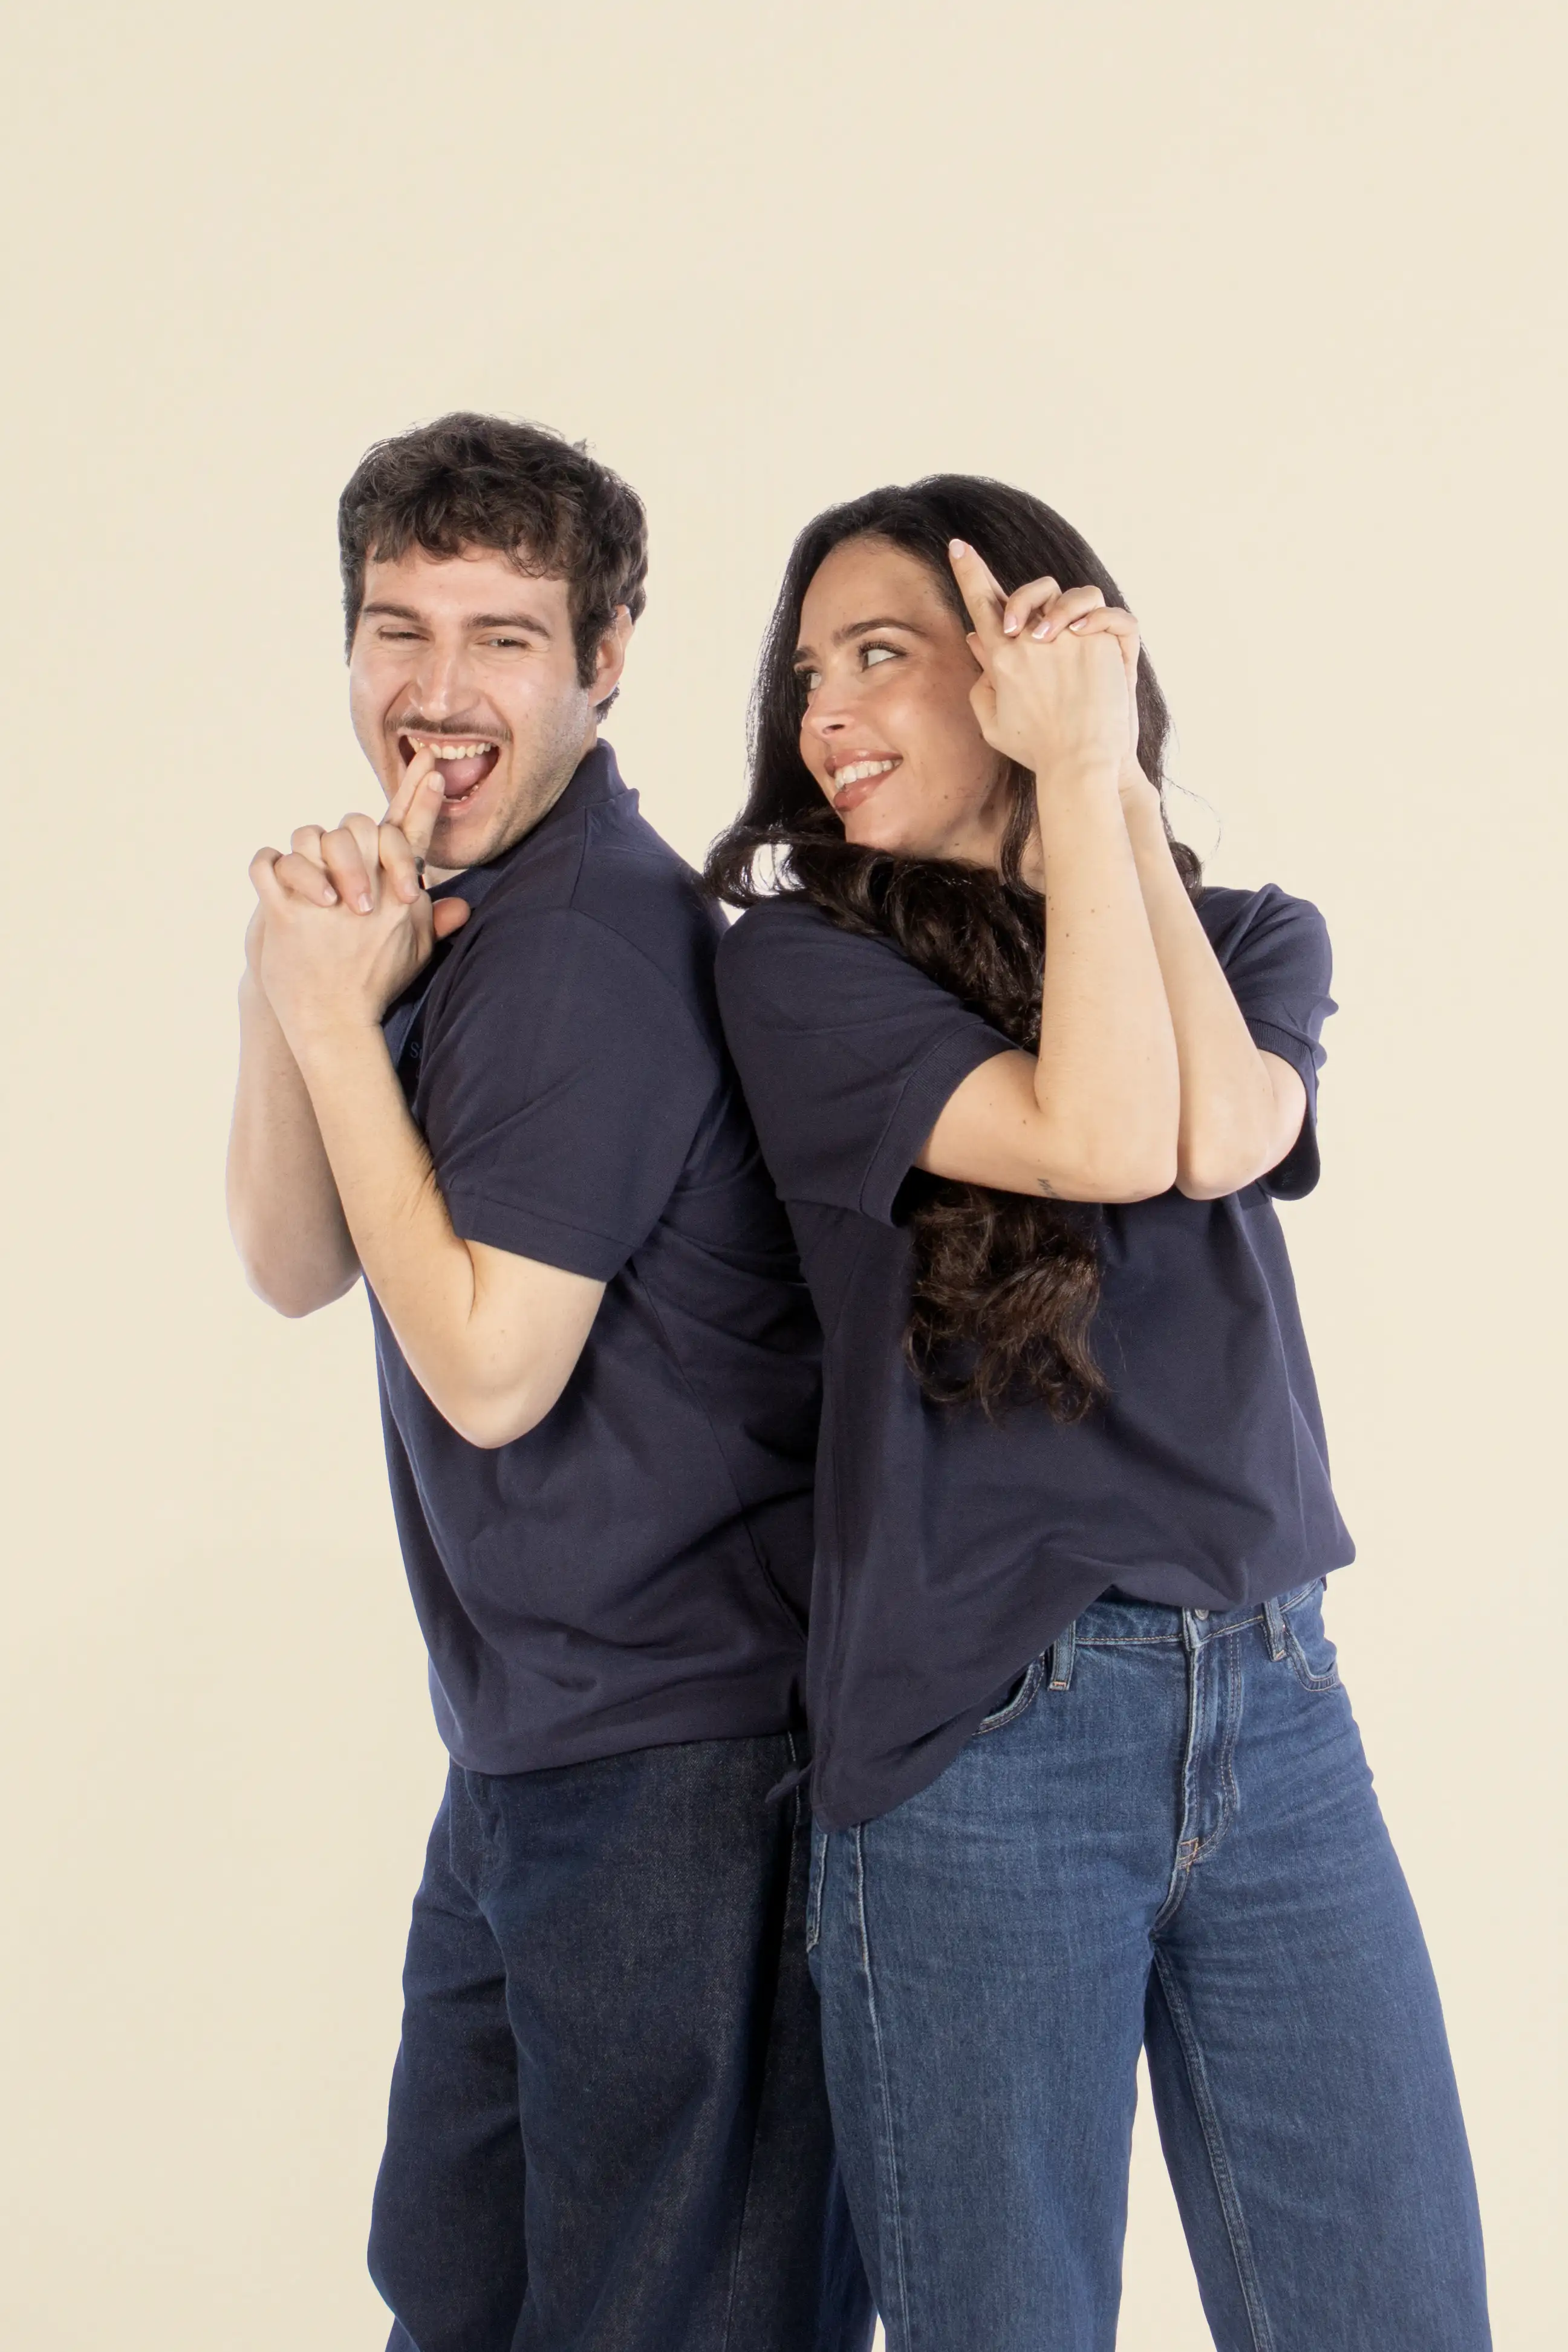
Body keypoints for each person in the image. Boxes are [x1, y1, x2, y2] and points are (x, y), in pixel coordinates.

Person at [707, 475, 1491, 2352]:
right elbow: (1096, 1135)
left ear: (1027, 671)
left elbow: (1217, 1132)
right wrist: (1077, 787)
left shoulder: (1260, 937)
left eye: (881, 657)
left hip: (1279, 1715)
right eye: (809, 671)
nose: (825, 715)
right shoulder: (801, 971)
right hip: (986, 1743)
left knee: (1394, 2314)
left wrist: (1105, 788)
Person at [226, 413, 871, 2352]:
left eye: (502, 636)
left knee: (662, 2318)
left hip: (684, 1758)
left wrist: (344, 1030)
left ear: (603, 663)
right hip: (529, 1746)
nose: (434, 690)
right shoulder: (458, 912)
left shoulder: (586, 937)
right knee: (465, 2291)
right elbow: (289, 1263)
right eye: (393, 628)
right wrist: (296, 983)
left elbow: (495, 1370)